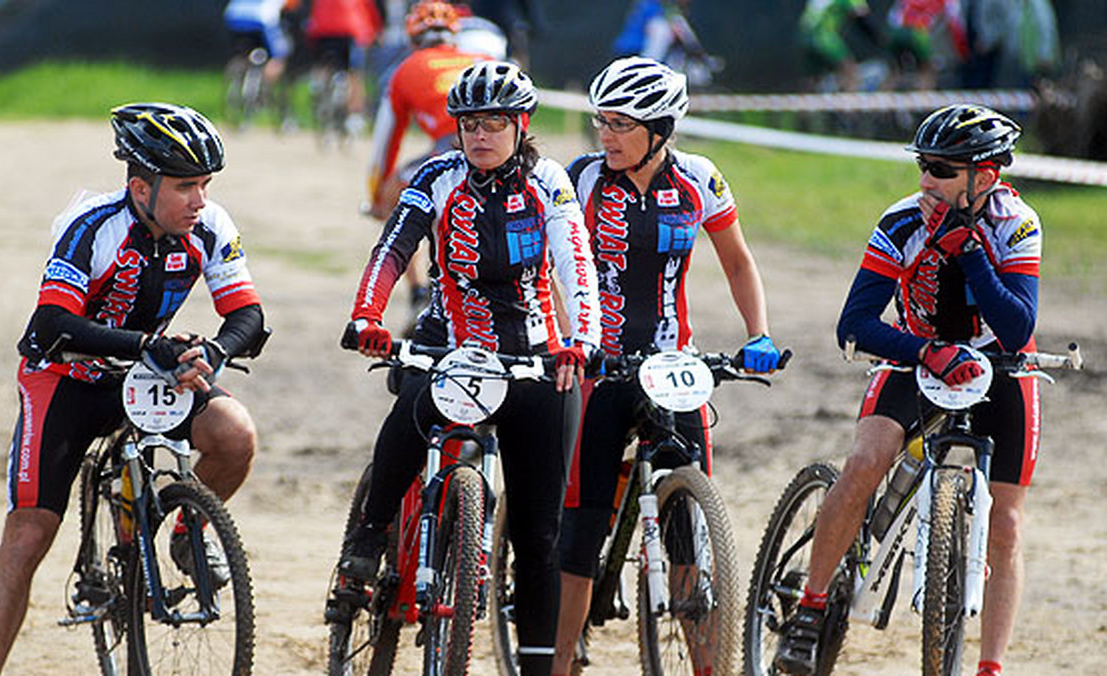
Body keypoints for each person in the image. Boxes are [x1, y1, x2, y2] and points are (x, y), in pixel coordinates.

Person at [0, 103, 267, 676]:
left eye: (205, 184)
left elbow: (248, 315)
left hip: (143, 375)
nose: (200, 199)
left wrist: (215, 351)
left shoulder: (209, 227)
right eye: (185, 186)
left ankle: (185, 531)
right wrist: (143, 344)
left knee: (235, 436)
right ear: (140, 186)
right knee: (30, 534)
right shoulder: (91, 227)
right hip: (65, 377)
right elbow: (50, 325)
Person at [338, 60, 601, 676]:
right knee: (413, 404)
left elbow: (576, 261)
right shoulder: (436, 176)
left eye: (494, 124)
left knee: (539, 536)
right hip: (448, 342)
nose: (479, 135)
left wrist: (581, 338)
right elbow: (392, 249)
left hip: (533, 354)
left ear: (520, 125)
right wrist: (367, 316)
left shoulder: (550, 183)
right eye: (469, 124)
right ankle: (370, 535)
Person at [774, 104, 1038, 676]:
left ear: (984, 177)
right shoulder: (900, 221)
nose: (925, 180)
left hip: (998, 367)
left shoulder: (1016, 223)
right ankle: (811, 608)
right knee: (868, 459)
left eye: (941, 169)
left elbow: (1017, 326)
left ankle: (990, 665)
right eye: (922, 165)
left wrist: (967, 248)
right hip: (916, 356)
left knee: (1008, 522)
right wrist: (925, 350)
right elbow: (856, 323)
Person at [554, 56, 782, 676]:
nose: (605, 134)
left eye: (620, 124)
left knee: (689, 524)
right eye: (601, 120)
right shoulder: (580, 179)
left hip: (672, 363)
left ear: (660, 130)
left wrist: (757, 334)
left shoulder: (700, 180)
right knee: (583, 522)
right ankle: (562, 656)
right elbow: (555, 270)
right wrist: (568, 339)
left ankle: (704, 662)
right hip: (600, 362)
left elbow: (737, 262)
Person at [366, 0, 492, 332]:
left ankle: (419, 290)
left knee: (399, 199)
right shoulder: (483, 59)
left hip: (450, 145)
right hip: (499, 147)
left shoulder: (406, 68)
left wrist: (378, 192)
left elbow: (387, 140)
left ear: (413, 38)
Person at [303, 0, 383, 136]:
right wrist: (376, 32)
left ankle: (319, 86)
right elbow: (371, 11)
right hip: (351, 30)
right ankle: (355, 115)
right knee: (355, 74)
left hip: (322, 29)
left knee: (323, 64)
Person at [798, 0, 881, 92]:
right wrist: (879, 40)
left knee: (812, 80)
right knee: (849, 70)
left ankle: (806, 103)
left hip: (804, 37)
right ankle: (848, 103)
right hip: (825, 36)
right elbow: (863, 18)